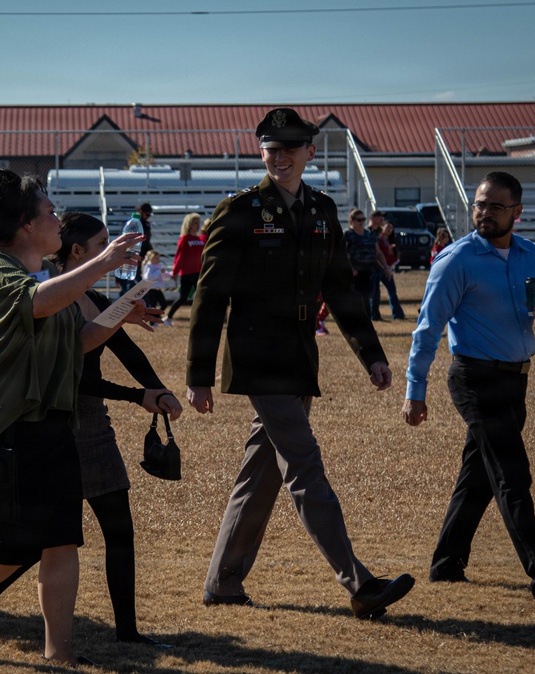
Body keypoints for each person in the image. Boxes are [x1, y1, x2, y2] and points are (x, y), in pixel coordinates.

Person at [0, 170, 156, 666]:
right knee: (12, 543)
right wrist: (105, 262)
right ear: (25, 224)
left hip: (54, 427)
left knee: (63, 539)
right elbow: (39, 305)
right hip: (9, 430)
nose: (56, 219)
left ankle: (58, 655)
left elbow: (79, 341)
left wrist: (123, 305)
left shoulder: (40, 276)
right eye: (48, 211)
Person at [186, 107, 415, 620]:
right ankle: (358, 583)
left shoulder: (322, 210)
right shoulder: (239, 211)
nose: (280, 156)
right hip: (257, 358)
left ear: (311, 152)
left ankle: (222, 583)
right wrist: (199, 377)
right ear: (260, 151)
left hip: (298, 357)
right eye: (272, 147)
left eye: (291, 147)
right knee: (305, 468)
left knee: (260, 473)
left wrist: (371, 355)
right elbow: (210, 298)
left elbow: (339, 288)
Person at [0, 211, 183, 648]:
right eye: (100, 246)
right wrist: (138, 396)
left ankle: (128, 632)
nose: (107, 252)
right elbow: (76, 373)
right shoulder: (44, 292)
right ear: (78, 252)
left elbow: (123, 347)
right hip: (55, 422)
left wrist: (157, 387)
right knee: (34, 537)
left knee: (113, 528)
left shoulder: (89, 295)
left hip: (92, 425)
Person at [402, 171, 535, 601]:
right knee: (512, 473)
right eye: (479, 204)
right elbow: (427, 329)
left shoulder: (532, 257)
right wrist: (415, 389)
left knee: (479, 478)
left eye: (495, 207)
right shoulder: (456, 259)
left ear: (517, 213)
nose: (484, 213)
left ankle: (446, 563)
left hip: (515, 380)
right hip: (473, 377)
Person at [342, 208, 388, 316]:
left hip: (369, 272)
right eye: (359, 220)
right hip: (355, 273)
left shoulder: (369, 234)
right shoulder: (348, 234)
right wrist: (350, 269)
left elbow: (378, 253)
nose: (362, 222)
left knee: (367, 299)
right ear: (352, 221)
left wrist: (386, 267)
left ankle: (365, 326)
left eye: (363, 219)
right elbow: (343, 254)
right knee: (358, 300)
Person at [165, 212, 205, 323]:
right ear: (189, 224)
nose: (197, 225)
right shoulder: (184, 239)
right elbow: (179, 256)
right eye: (195, 223)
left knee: (201, 296)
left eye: (198, 223)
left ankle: (200, 318)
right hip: (187, 273)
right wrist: (175, 271)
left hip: (198, 272)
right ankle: (168, 317)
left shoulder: (200, 238)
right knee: (183, 298)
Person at [117, 202, 154, 295]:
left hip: (139, 256)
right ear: (140, 211)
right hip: (130, 255)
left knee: (131, 284)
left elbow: (146, 241)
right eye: (147, 214)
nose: (148, 217)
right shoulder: (131, 224)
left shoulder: (146, 224)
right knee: (130, 284)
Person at [376, 221, 406, 320]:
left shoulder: (391, 240)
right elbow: (378, 253)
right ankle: (374, 315)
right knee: (375, 293)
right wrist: (387, 249)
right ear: (382, 227)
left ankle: (397, 314)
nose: (389, 229)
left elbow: (393, 255)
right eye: (387, 227)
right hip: (378, 269)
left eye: (391, 228)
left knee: (392, 291)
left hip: (388, 269)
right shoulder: (378, 239)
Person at [141, 249, 170, 315]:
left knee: (164, 304)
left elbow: (163, 277)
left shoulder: (158, 266)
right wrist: (159, 272)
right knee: (152, 305)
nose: (158, 259)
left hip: (158, 289)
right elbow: (149, 277)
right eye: (156, 258)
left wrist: (167, 274)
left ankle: (156, 315)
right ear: (151, 258)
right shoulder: (148, 266)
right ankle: (152, 321)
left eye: (158, 258)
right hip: (151, 289)